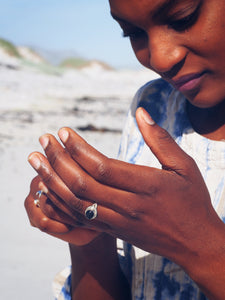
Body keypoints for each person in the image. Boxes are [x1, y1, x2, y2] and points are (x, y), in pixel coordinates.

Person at [25, 0, 225, 299]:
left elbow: (195, 243)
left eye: (183, 18)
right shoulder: (154, 105)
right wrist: (90, 233)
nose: (159, 58)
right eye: (132, 32)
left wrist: (201, 246)